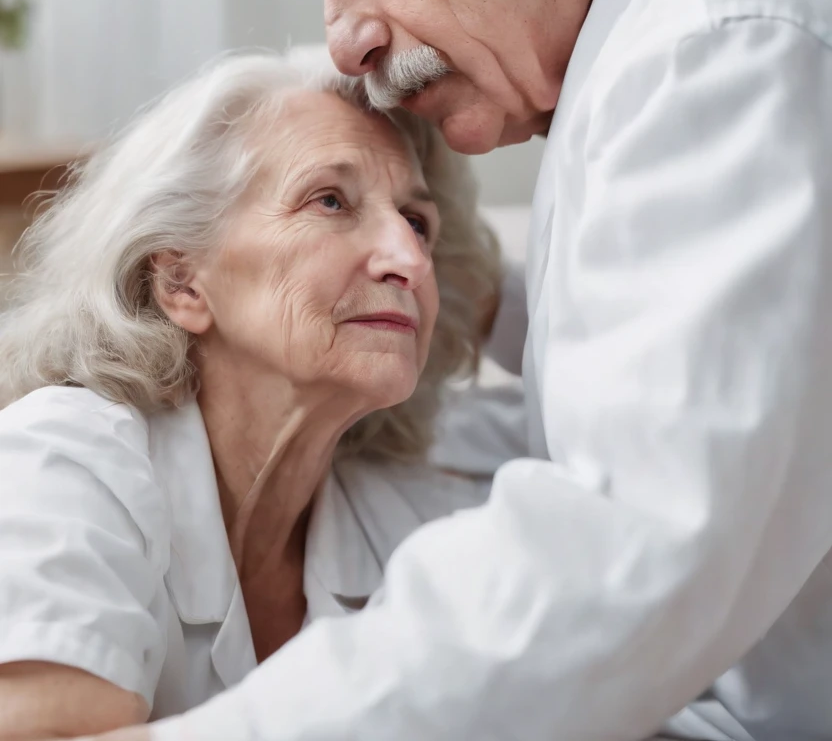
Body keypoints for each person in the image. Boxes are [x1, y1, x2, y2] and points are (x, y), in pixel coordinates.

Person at [81, 0, 832, 741]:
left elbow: (625, 543)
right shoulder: (648, 56)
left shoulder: (720, 44)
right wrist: (479, 298)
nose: (343, 40)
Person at [0, 48, 525, 739]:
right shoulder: (59, 461)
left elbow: (640, 430)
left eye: (418, 223)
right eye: (330, 200)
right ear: (184, 283)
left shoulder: (427, 504)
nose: (409, 258)